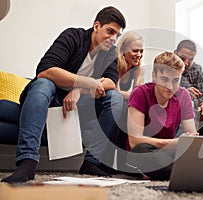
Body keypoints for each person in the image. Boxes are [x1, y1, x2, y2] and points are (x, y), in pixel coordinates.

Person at [1, 6, 126, 184]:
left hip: (76, 110)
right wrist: (88, 83)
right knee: (43, 84)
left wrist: (78, 89)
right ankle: (27, 162)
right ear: (96, 26)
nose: (113, 39)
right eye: (110, 31)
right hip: (49, 101)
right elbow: (45, 71)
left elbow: (111, 82)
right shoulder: (73, 36)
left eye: (117, 35)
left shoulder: (110, 53)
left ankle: (92, 162)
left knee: (115, 98)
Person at [125, 52, 198, 180]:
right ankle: (188, 172)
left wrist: (181, 144)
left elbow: (192, 138)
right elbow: (134, 141)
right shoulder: (140, 93)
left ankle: (181, 171)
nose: (170, 87)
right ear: (154, 76)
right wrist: (175, 143)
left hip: (167, 152)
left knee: (197, 152)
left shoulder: (183, 95)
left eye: (176, 81)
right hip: (145, 151)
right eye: (164, 79)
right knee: (141, 149)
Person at [113, 31, 145, 172]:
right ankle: (122, 162)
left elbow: (138, 94)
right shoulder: (114, 64)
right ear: (124, 50)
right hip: (108, 102)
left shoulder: (138, 69)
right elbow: (114, 92)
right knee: (124, 104)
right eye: (135, 50)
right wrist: (131, 96)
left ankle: (128, 161)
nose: (139, 54)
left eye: (141, 51)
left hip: (124, 103)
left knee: (134, 108)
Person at [174, 40, 203, 136]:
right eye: (182, 58)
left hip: (194, 109)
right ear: (175, 53)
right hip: (176, 108)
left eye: (190, 59)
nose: (186, 63)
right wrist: (183, 92)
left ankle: (199, 145)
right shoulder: (168, 66)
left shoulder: (196, 69)